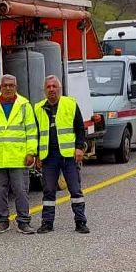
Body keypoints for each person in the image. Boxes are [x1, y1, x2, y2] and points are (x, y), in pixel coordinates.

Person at [0, 74, 38, 234]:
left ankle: (23, 222)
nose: (8, 88)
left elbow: (31, 131)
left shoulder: (25, 106)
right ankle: (2, 221)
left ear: (16, 87)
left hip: (19, 158)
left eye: (11, 85)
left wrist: (31, 152)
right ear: (0, 87)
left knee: (21, 191)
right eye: (5, 85)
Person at [34, 75, 89, 234]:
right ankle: (47, 223)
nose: (51, 89)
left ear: (60, 89)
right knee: (49, 191)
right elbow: (36, 133)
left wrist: (79, 148)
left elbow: (80, 128)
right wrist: (37, 154)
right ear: (44, 90)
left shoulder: (70, 104)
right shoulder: (38, 108)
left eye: (54, 86)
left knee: (75, 190)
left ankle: (80, 222)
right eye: (48, 87)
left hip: (68, 156)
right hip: (48, 156)